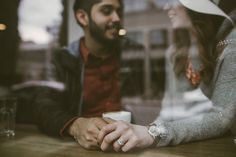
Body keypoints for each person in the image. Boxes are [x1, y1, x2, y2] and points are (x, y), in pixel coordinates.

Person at [98, 0, 236, 152]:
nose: (166, 7)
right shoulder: (175, 53)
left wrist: (154, 133)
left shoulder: (231, 44)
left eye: (174, 1)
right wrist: (148, 132)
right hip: (187, 148)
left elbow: (221, 117)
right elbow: (169, 112)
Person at [33, 0, 124, 150]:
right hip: (85, 149)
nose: (116, 18)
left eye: (118, 11)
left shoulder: (131, 56)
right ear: (83, 17)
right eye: (107, 11)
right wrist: (76, 126)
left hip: (135, 145)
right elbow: (43, 108)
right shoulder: (61, 60)